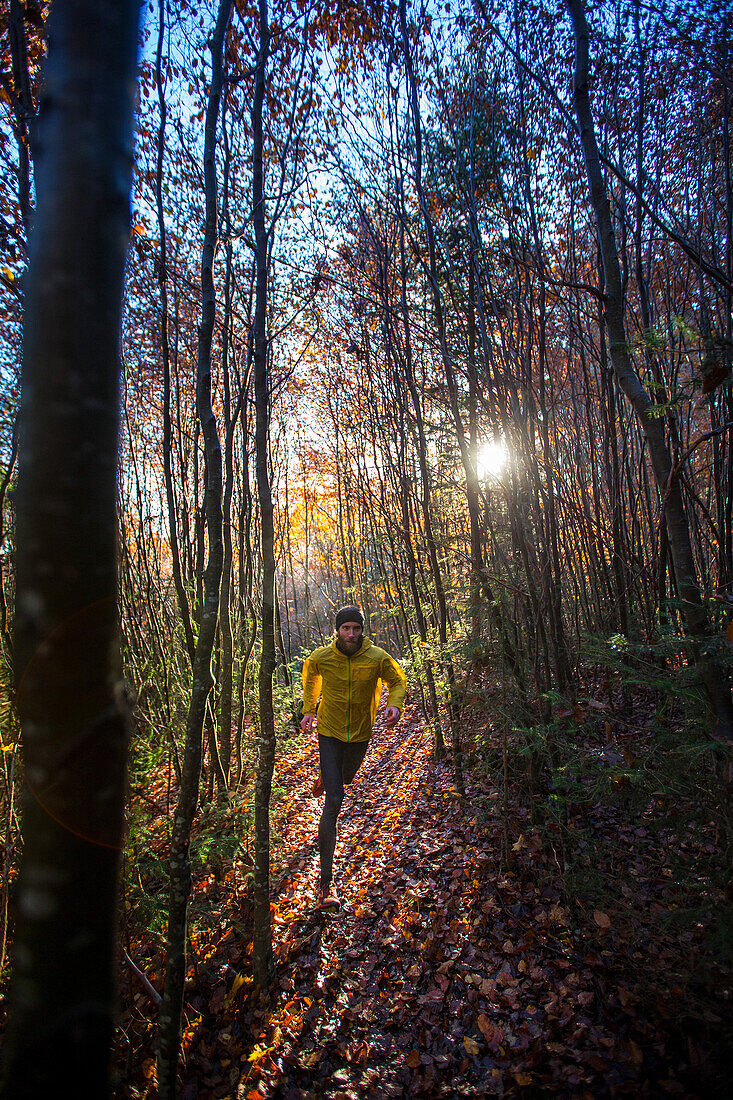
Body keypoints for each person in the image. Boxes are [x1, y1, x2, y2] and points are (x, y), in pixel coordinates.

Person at [301, 605, 407, 908]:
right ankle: (326, 885)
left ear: (362, 630)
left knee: (346, 778)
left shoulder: (377, 658)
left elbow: (397, 681)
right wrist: (309, 708)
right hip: (330, 732)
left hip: (360, 733)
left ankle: (329, 775)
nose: (351, 634)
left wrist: (395, 705)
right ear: (338, 630)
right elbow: (310, 677)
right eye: (346, 628)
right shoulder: (322, 657)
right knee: (335, 799)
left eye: (356, 629)